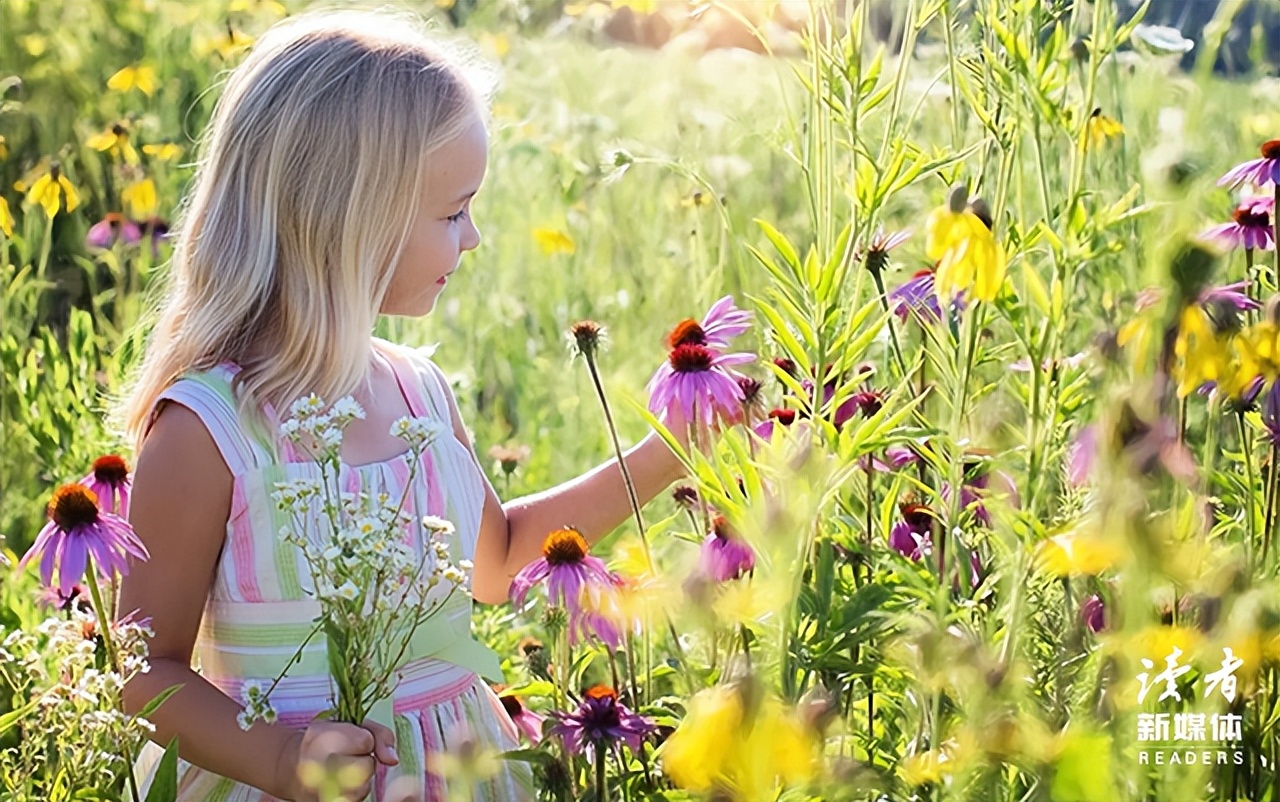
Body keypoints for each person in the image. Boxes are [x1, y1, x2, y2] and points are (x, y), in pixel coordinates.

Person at [114, 10, 688, 801]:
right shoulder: (209, 431)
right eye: (454, 212)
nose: (475, 237)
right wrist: (280, 760)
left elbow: (496, 562)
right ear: (349, 222)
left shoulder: (419, 391)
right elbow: (144, 675)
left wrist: (671, 449)